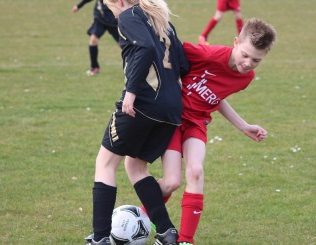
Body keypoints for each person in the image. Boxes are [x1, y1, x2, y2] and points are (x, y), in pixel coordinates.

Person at [138, 18, 277, 245]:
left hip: (197, 123)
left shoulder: (245, 78)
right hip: (172, 120)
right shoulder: (208, 55)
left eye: (256, 60)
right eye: (245, 54)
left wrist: (244, 126)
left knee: (195, 171)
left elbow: (216, 98)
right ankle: (139, 216)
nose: (248, 63)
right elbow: (172, 53)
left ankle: (185, 240)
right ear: (235, 42)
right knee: (172, 182)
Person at [83, 0, 189, 244]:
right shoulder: (163, 20)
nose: (111, 11)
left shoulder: (129, 15)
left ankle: (100, 239)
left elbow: (144, 47)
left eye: (110, 6)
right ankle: (166, 232)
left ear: (118, 2)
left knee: (105, 164)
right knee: (135, 167)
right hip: (171, 110)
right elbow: (183, 65)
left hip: (142, 104)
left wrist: (131, 91)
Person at [72, 0, 120, 76]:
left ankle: (135, 66)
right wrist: (78, 6)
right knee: (93, 40)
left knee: (123, 45)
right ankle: (94, 67)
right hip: (100, 18)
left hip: (113, 19)